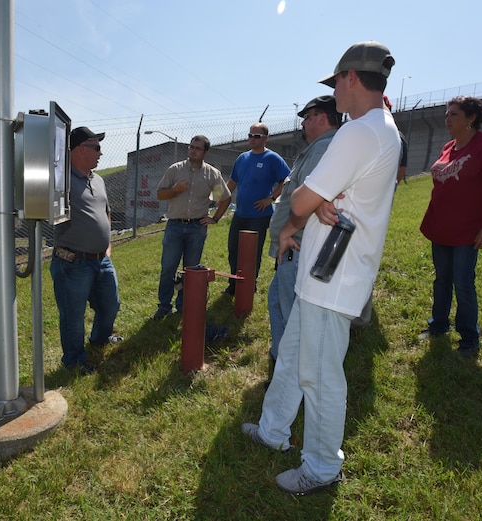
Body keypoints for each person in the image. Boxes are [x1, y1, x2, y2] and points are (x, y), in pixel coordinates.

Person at [242, 41, 401, 496]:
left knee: (320, 373)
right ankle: (274, 430)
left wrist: (304, 212)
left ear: (351, 77)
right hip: (327, 270)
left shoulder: (359, 132)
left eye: (336, 83)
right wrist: (311, 211)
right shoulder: (383, 127)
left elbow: (300, 199)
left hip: (333, 276)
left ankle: (322, 467)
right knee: (293, 358)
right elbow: (324, 199)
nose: (334, 95)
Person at [418, 96, 482, 358]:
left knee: (463, 282)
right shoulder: (448, 147)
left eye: (454, 114)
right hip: (441, 225)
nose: (447, 119)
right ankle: (438, 325)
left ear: (471, 118)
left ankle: (469, 339)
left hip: (468, 229)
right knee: (442, 280)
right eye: (447, 114)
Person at [266, 95, 342, 382]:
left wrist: (287, 231)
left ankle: (288, 378)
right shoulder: (319, 149)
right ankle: (286, 370)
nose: (304, 123)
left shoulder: (322, 150)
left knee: (289, 315)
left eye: (307, 117)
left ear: (321, 118)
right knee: (281, 305)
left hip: (297, 247)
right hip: (296, 247)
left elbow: (307, 201)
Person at [50, 126, 121, 374]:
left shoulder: (98, 179)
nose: (101, 153)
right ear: (81, 149)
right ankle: (74, 361)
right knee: (73, 316)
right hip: (72, 262)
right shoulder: (60, 180)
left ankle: (99, 340)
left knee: (111, 305)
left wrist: (108, 245)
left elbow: (107, 212)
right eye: (97, 147)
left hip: (102, 260)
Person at [153, 135, 231, 320]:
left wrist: (215, 218)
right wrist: (175, 189)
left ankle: (183, 305)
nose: (193, 150)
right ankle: (164, 306)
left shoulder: (212, 174)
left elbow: (224, 198)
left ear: (205, 152)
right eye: (191, 147)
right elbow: (160, 194)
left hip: (197, 228)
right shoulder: (175, 170)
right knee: (168, 268)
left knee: (190, 270)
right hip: (174, 226)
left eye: (197, 148)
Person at [350, 96, 409, 328]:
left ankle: (361, 315)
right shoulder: (365, 130)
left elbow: (399, 173)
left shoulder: (392, 135)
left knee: (362, 253)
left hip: (369, 205)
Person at [224, 123, 290, 295]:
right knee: (234, 250)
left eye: (257, 136)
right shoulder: (242, 158)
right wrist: (217, 197)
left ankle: (248, 285)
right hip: (240, 214)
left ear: (266, 138)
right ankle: (233, 283)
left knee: (252, 252)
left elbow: (287, 180)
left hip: (259, 216)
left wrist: (271, 198)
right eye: (250, 135)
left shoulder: (272, 158)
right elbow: (232, 182)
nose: (252, 139)